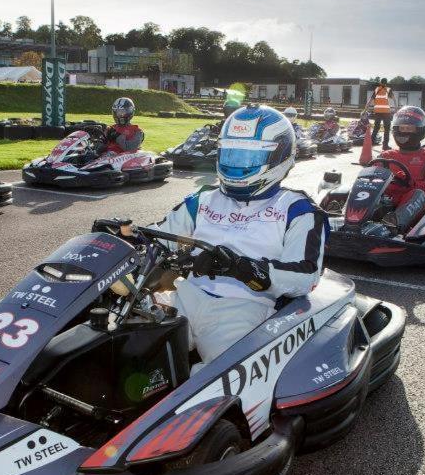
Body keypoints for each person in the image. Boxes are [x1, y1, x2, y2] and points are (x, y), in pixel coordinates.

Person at [99, 105, 326, 367]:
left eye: (247, 157)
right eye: (232, 154)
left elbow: (305, 276)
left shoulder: (297, 209)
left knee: (217, 380)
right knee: (120, 345)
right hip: (184, 297)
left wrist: (243, 268)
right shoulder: (205, 199)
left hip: (243, 308)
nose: (237, 165)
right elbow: (161, 235)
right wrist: (125, 238)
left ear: (279, 156)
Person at [377, 106, 425, 232]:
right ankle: (348, 217)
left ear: (420, 130)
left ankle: (392, 225)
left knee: (417, 193)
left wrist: (411, 184)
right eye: (402, 128)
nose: (404, 132)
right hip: (387, 201)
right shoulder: (385, 156)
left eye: (409, 128)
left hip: (415, 206)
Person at [365, 77, 396, 150]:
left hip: (377, 112)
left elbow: (370, 100)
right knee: (387, 129)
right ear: (386, 83)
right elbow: (394, 99)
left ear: (380, 83)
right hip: (386, 112)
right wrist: (396, 108)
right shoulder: (388, 89)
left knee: (376, 128)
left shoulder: (376, 89)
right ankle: (385, 146)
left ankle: (371, 143)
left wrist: (365, 109)